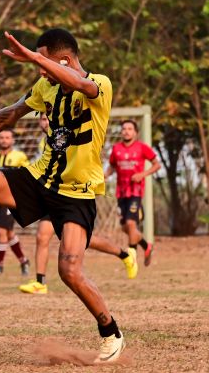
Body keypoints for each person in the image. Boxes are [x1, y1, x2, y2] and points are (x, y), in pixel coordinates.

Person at [0, 28, 126, 363]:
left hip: (76, 194)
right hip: (39, 178)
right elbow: (9, 113)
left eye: (45, 63)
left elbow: (83, 86)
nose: (40, 71)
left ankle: (110, 331)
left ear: (65, 60)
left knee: (69, 272)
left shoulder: (100, 84)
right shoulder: (45, 87)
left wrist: (35, 57)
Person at [19, 114, 137, 295]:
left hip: (73, 196)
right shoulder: (46, 143)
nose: (45, 122)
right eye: (42, 119)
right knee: (42, 236)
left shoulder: (70, 137)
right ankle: (40, 282)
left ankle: (125, 254)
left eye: (47, 118)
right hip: (52, 196)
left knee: (83, 241)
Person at [105, 119, 160, 266]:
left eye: (129, 129)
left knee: (131, 223)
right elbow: (111, 167)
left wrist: (143, 174)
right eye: (124, 129)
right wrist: (105, 175)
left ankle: (132, 258)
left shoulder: (142, 148)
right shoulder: (116, 149)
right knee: (126, 228)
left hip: (136, 192)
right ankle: (147, 246)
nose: (126, 131)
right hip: (121, 192)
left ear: (135, 132)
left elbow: (157, 164)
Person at [0, 128, 31, 277]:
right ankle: (24, 261)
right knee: (9, 234)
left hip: (11, 200)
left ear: (12, 140)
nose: (4, 140)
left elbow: (28, 176)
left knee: (0, 231)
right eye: (1, 137)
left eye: (7, 137)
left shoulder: (20, 157)